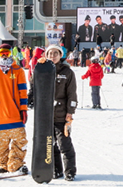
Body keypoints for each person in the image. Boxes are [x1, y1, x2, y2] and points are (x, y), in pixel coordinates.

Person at [0, 44, 29, 175]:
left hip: (15, 115)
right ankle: (3, 165)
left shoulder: (18, 70)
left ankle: (15, 165)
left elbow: (23, 91)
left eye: (7, 53)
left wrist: (23, 109)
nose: (4, 55)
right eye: (2, 53)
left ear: (10, 54)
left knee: (20, 141)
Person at [42, 45, 77, 181]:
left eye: (55, 53)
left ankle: (70, 171)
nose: (52, 56)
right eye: (50, 53)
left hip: (61, 115)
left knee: (64, 145)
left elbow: (72, 94)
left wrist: (70, 112)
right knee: (50, 146)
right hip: (45, 116)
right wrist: (37, 68)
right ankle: (56, 170)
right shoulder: (42, 70)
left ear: (60, 55)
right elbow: (34, 85)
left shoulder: (67, 72)